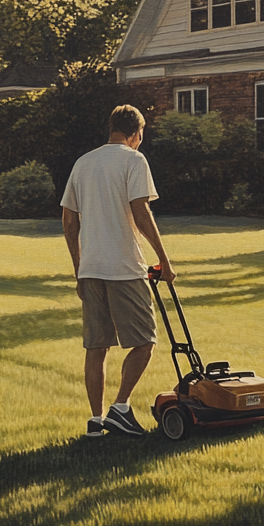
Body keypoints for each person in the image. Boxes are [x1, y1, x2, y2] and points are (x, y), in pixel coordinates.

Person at [61, 105, 176, 438]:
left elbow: (69, 220)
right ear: (136, 133)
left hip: (92, 268)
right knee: (145, 342)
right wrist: (164, 260)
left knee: (96, 347)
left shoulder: (83, 163)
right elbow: (140, 211)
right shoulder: (134, 160)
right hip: (124, 267)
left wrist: (79, 268)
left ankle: (95, 422)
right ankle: (120, 408)